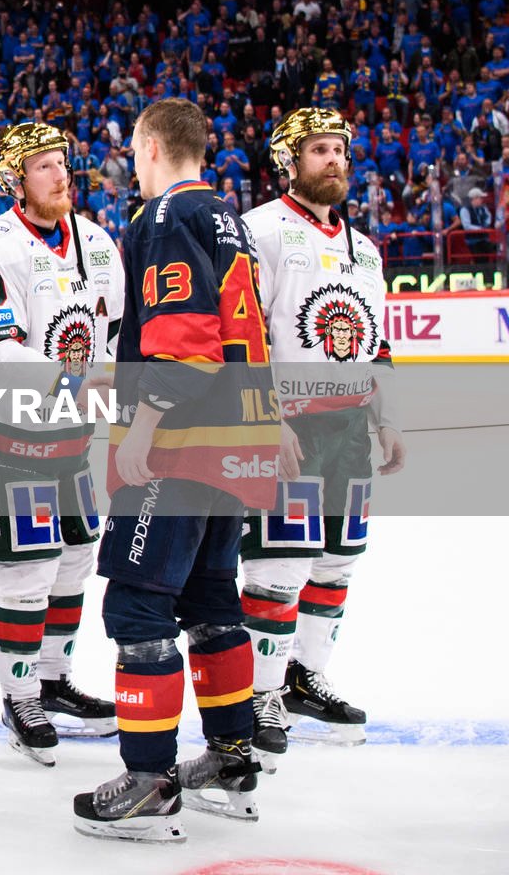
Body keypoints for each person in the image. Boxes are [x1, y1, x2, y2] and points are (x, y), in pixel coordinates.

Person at [74, 97, 279, 843]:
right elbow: (236, 333)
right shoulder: (231, 218)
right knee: (213, 602)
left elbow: (186, 339)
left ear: (152, 147)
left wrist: (147, 422)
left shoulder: (164, 219)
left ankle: (150, 779)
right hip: (236, 441)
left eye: (134, 149)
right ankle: (230, 760)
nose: (132, 163)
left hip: (181, 444)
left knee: (137, 607)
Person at [238, 108, 403, 766]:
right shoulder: (262, 231)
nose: (333, 160)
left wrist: (387, 419)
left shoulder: (366, 248)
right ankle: (260, 692)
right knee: (279, 563)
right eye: (319, 151)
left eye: (339, 149)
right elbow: (245, 334)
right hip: (289, 424)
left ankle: (305, 677)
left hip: (349, 429)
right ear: (290, 161)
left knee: (337, 560)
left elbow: (377, 341)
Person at [0, 124, 123, 764]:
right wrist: (72, 379)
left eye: (62, 162)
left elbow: (116, 330)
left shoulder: (100, 242)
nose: (60, 174)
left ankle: (53, 679)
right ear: (14, 179)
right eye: (44, 166)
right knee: (26, 572)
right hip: (9, 437)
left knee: (77, 557)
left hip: (71, 439)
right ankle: (19, 694)